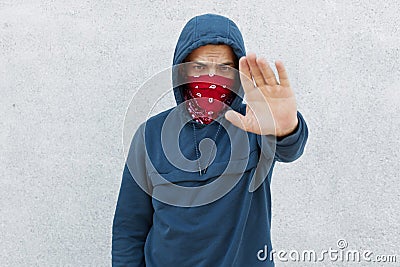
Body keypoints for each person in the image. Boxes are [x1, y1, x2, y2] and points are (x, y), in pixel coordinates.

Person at [112, 13, 308, 266]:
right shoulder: (151, 134)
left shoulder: (256, 124)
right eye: (199, 67)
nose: (211, 78)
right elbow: (129, 229)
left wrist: (286, 127)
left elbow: (290, 148)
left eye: (224, 68)